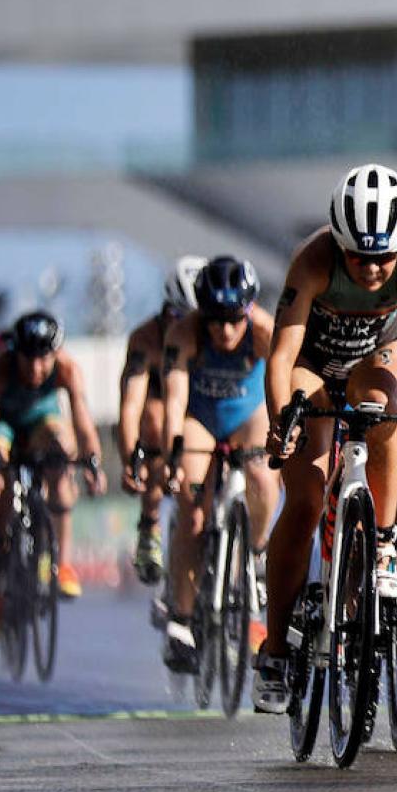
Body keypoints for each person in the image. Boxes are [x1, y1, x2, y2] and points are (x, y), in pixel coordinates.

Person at [250, 163, 397, 714]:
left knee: (381, 412)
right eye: (360, 257)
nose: (372, 270)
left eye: (383, 258)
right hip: (314, 363)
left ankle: (385, 545)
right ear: (338, 242)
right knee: (304, 497)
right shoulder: (312, 259)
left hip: (377, 354)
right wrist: (281, 424)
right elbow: (280, 356)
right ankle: (273, 650)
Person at [157, 256, 275, 672]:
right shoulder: (183, 333)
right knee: (192, 513)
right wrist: (174, 454)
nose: (224, 331)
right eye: (215, 320)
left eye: (233, 320)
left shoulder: (264, 331)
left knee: (262, 472)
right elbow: (173, 400)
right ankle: (182, 620)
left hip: (248, 415)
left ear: (248, 311)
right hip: (202, 418)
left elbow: (283, 386)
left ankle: (256, 555)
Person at [0, 311, 107, 645]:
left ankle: (64, 564)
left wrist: (93, 463)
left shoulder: (68, 368)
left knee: (61, 453)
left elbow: (83, 421)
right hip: (6, 429)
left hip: (44, 423)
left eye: (43, 360)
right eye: (27, 360)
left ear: (55, 354)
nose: (35, 370)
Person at [119, 256, 208, 586]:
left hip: (202, 402)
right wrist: (131, 458)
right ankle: (150, 522)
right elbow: (130, 406)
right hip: (160, 403)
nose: (186, 328)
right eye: (179, 317)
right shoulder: (145, 340)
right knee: (156, 422)